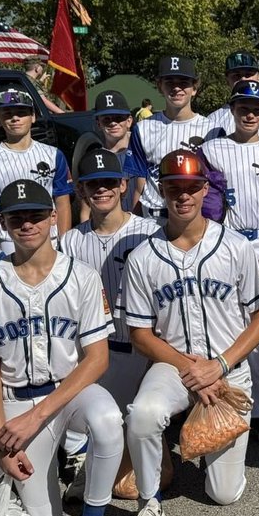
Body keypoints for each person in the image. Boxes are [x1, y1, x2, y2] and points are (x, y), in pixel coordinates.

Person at [0, 180, 124, 516]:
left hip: (68, 394)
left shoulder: (81, 276)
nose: (27, 223)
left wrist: (37, 417)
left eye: (36, 214)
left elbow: (97, 359)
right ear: (2, 223)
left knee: (107, 419)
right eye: (17, 217)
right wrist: (1, 440)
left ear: (53, 217)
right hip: (15, 399)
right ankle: (25, 479)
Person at [120, 150, 259, 516]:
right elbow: (139, 333)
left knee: (223, 493)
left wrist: (219, 365)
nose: (183, 196)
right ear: (161, 191)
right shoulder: (142, 257)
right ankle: (149, 503)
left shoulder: (235, 246)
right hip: (173, 366)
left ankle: (196, 449)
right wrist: (192, 369)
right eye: (174, 188)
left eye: (191, 187)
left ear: (205, 189)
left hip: (229, 366)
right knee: (143, 415)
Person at [58, 148, 160, 498]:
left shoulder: (150, 231)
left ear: (122, 185)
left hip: (145, 351)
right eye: (92, 184)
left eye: (108, 182)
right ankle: (84, 464)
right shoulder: (71, 241)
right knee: (101, 432)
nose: (101, 189)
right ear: (82, 191)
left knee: (141, 429)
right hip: (97, 353)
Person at [200, 80, 259, 443]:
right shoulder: (213, 148)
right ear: (232, 110)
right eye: (243, 107)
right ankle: (233, 404)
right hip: (228, 241)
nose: (250, 114)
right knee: (232, 324)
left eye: (256, 107)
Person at [0, 88, 73, 253]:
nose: (15, 118)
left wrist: (65, 243)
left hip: (50, 238)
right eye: (7, 113)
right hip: (9, 241)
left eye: (21, 112)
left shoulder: (53, 155)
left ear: (33, 116)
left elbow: (62, 202)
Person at [127, 55, 217, 219]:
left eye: (183, 82)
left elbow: (216, 184)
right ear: (159, 86)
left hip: (197, 217)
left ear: (194, 88)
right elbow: (139, 185)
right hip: (154, 217)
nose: (176, 88)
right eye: (169, 82)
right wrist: (136, 220)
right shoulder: (143, 128)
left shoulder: (212, 130)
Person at [73, 90, 146, 220]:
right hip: (106, 226)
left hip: (140, 223)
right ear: (98, 123)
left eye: (118, 118)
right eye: (107, 119)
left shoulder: (142, 151)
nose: (113, 123)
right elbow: (86, 209)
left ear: (129, 121)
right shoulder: (94, 159)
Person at [206, 50, 259, 135]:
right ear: (227, 80)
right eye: (236, 76)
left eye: (248, 74)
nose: (243, 79)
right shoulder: (214, 119)